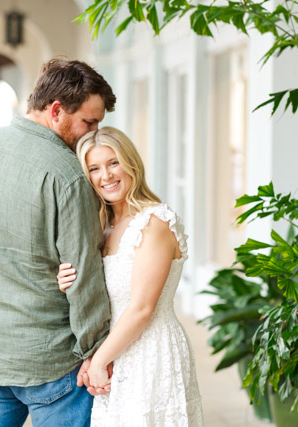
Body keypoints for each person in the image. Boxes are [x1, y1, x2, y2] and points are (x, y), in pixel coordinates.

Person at [0, 57, 116, 427]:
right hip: (51, 362)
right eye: (89, 122)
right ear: (56, 110)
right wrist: (96, 352)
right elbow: (84, 277)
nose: (92, 133)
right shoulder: (69, 175)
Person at [57, 127, 204, 426]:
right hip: (115, 352)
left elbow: (141, 308)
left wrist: (98, 361)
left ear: (131, 163)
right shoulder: (101, 225)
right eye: (94, 168)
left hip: (152, 353)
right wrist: (67, 279)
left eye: (113, 163)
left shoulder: (156, 221)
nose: (106, 176)